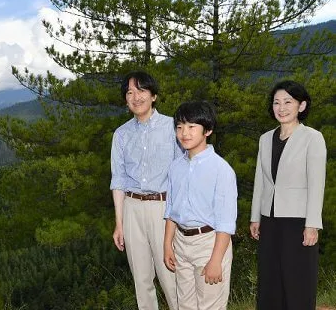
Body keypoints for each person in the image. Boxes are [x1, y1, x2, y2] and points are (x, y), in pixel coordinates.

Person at [250, 80, 326, 310]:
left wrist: (312, 224)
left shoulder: (313, 138)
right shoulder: (265, 138)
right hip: (270, 220)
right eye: (276, 102)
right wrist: (256, 217)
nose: (281, 108)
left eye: (288, 102)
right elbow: (260, 181)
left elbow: (316, 183)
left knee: (297, 280)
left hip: (298, 221)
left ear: (301, 106)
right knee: (270, 279)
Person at [110, 71, 181, 310]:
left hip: (164, 209)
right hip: (131, 208)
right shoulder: (121, 134)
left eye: (141, 90)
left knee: (171, 277)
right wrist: (120, 223)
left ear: (154, 96)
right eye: (130, 92)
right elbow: (118, 180)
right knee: (142, 281)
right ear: (125, 100)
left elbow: (183, 174)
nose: (135, 97)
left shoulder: (173, 127)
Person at [163, 100, 237, 310]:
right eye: (179, 127)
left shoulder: (221, 170)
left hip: (209, 243)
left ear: (208, 130)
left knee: (210, 306)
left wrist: (216, 260)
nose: (184, 133)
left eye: (191, 126)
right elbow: (171, 210)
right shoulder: (175, 168)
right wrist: (168, 244)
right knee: (184, 305)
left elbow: (225, 222)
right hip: (180, 242)